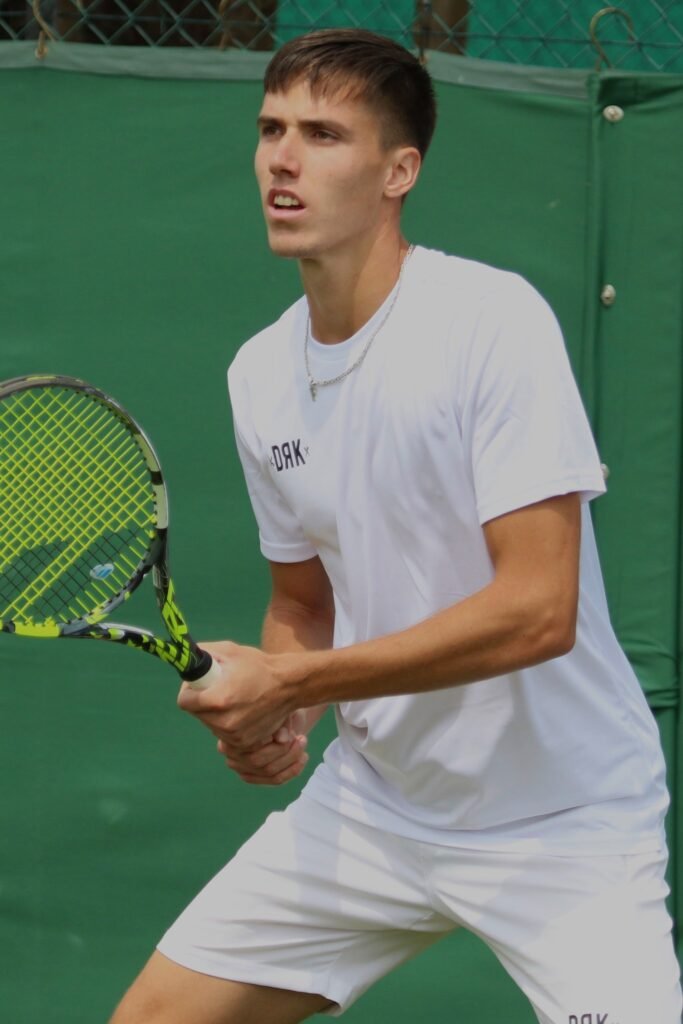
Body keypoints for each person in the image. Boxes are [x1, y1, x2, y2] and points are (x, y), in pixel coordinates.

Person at [110, 28, 682, 1024]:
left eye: (323, 135)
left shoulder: (489, 322)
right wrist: (283, 715)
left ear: (397, 171)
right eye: (271, 129)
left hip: (560, 819)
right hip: (375, 806)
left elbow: (537, 610)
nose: (283, 159)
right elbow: (303, 604)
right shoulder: (260, 374)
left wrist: (295, 681)